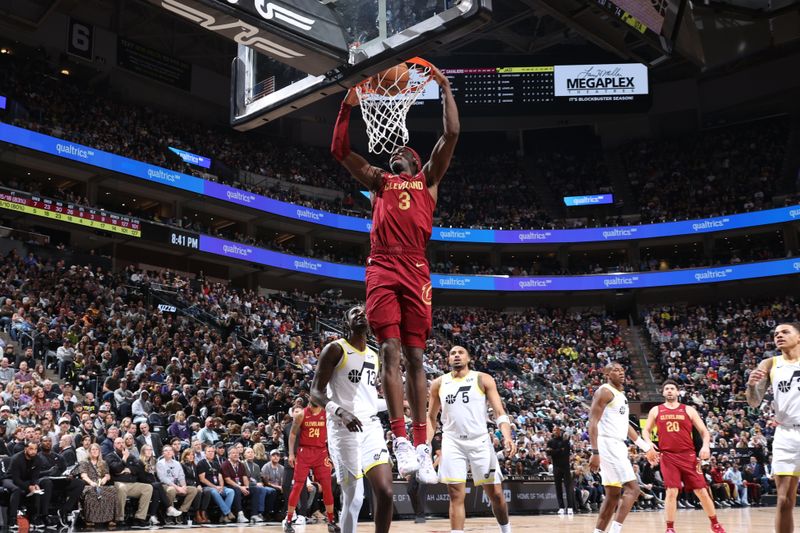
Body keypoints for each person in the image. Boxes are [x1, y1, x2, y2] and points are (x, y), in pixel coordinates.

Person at [331, 63, 458, 482]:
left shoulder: (429, 181)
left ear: (414, 159)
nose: (395, 152)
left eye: (403, 152)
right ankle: (400, 438)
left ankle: (423, 445)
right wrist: (347, 106)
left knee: (417, 357)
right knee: (388, 350)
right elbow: (340, 151)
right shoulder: (378, 181)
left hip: (417, 265)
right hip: (383, 262)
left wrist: (443, 88)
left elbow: (451, 135)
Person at [309, 305, 393, 533]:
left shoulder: (375, 355)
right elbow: (315, 392)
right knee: (355, 498)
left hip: (371, 427)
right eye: (354, 312)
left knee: (385, 492)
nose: (361, 315)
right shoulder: (335, 349)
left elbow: (367, 399)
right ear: (346, 322)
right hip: (342, 429)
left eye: (364, 312)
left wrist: (398, 407)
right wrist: (341, 412)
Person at [427, 345, 516, 533]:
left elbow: (499, 412)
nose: (456, 356)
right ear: (448, 360)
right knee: (455, 494)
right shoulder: (438, 383)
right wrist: (425, 444)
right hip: (452, 441)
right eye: (452, 353)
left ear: (468, 358)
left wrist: (507, 436)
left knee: (497, 495)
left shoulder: (482, 379)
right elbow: (431, 417)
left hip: (480, 440)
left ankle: (506, 530)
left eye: (460, 353)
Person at [643, 379, 726, 533]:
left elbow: (704, 432)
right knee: (671, 491)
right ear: (663, 392)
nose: (669, 391)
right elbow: (645, 430)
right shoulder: (656, 410)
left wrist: (706, 445)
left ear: (677, 392)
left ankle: (715, 524)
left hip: (688, 456)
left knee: (701, 490)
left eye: (672, 388)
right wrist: (648, 444)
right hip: (668, 456)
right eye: (666, 388)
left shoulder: (688, 410)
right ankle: (670, 528)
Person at [588, 363, 657, 533]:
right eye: (615, 370)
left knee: (612, 495)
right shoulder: (605, 391)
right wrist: (594, 451)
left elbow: (626, 426)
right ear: (606, 374)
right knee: (633, 490)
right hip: (608, 444)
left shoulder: (621, 395)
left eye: (622, 370)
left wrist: (646, 447)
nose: (620, 373)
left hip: (616, 444)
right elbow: (592, 422)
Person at [747, 322, 800, 533]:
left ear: (798, 337)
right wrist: (751, 385)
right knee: (784, 500)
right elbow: (753, 402)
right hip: (786, 434)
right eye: (776, 333)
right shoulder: (769, 363)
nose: (779, 335)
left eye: (785, 332)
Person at [284, 400, 338, 533]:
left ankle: (331, 521)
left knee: (327, 486)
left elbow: (332, 433)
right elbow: (292, 434)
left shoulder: (327, 414)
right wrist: (291, 453)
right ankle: (289, 520)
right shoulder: (301, 414)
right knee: (297, 486)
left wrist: (332, 455)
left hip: (321, 452)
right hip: (304, 451)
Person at [105, 437, 153, 527]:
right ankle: (119, 518)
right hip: (117, 483)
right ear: (114, 445)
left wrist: (129, 470)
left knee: (148, 488)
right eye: (118, 443)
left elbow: (139, 467)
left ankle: (140, 517)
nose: (121, 444)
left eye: (122, 442)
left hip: (132, 484)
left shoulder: (131, 456)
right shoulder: (110, 456)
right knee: (122, 488)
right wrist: (124, 458)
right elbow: (116, 469)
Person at [8, 441, 55, 528]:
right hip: (10, 478)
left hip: (26, 479)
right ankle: (12, 519)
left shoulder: (37, 459)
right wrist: (29, 486)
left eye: (35, 449)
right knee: (17, 489)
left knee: (43, 485)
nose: (33, 451)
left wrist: (35, 484)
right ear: (25, 449)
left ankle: (39, 517)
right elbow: (16, 479)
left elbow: (35, 476)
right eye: (31, 449)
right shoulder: (16, 459)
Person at [77, 443, 119, 528]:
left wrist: (104, 479)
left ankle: (110, 519)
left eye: (97, 450)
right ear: (89, 451)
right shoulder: (84, 462)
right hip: (89, 485)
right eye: (93, 449)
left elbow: (107, 475)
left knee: (113, 491)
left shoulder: (103, 463)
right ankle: (90, 519)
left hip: (101, 484)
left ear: (99, 451)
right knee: (92, 491)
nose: (95, 451)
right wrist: (91, 482)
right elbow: (83, 475)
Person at [157, 445, 199, 521]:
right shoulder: (160, 463)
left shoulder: (177, 463)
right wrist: (177, 487)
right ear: (163, 453)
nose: (169, 452)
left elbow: (181, 476)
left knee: (193, 490)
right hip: (165, 486)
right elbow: (162, 478)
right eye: (166, 450)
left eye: (170, 450)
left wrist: (184, 486)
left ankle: (182, 511)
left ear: (173, 453)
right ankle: (168, 511)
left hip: (178, 485)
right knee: (171, 490)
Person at [197, 444, 236, 523]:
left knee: (231, 491)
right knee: (214, 491)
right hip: (207, 487)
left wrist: (221, 486)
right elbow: (202, 479)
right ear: (205, 453)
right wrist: (215, 487)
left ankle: (224, 515)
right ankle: (227, 512)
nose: (211, 453)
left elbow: (220, 476)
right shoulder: (201, 463)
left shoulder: (216, 463)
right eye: (209, 451)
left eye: (212, 451)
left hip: (218, 487)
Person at [547, 426, 575, 516]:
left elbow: (565, 453)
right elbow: (548, 453)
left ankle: (570, 507)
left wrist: (555, 451)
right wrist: (559, 450)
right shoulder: (550, 442)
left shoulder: (565, 441)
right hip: (556, 467)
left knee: (568, 487)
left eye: (557, 430)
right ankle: (561, 508)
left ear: (560, 431)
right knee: (558, 488)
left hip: (566, 466)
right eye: (554, 430)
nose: (555, 431)